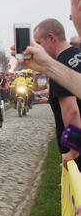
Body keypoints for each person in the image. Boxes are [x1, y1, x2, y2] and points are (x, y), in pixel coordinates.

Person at [33, 18, 81, 170]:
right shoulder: (77, 54)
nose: (38, 49)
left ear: (51, 38)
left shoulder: (59, 68)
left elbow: (72, 110)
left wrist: (74, 149)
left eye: (39, 44)